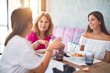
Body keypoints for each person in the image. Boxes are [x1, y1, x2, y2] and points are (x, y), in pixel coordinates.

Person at [0, 8, 64, 73]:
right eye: (32, 21)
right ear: (28, 24)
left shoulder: (14, 39)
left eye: (46, 22)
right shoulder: (21, 43)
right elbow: (41, 70)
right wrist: (50, 48)